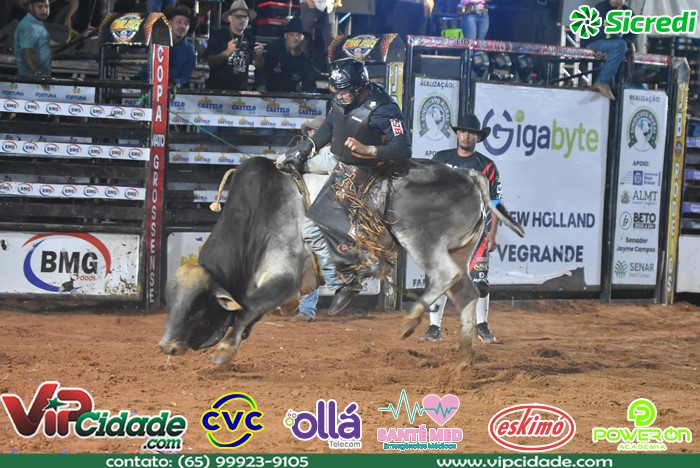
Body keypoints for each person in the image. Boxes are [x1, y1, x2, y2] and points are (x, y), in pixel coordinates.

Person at [278, 58, 412, 313]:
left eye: (345, 91)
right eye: (337, 91)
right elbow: (330, 125)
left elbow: (403, 147)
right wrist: (304, 149)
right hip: (342, 168)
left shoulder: (384, 109)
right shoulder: (340, 101)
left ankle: (354, 273)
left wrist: (370, 150)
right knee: (311, 225)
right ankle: (345, 280)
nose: (340, 96)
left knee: (329, 226)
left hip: (369, 173)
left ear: (360, 87)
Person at [423, 114, 501, 343]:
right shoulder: (440, 159)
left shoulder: (487, 166)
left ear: (478, 137)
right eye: (464, 131)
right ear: (457, 134)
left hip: (476, 232)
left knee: (479, 279)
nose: (467, 136)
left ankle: (482, 325)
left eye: (472, 133)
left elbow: (495, 202)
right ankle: (434, 327)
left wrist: (493, 234)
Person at [289, 116, 343, 322]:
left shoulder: (332, 156)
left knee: (314, 259)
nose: (311, 134)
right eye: (310, 131)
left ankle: (308, 307)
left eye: (315, 131)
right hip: (306, 212)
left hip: (325, 215)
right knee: (306, 259)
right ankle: (301, 304)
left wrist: (293, 161)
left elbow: (328, 166)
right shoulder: (307, 154)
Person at [581, 0, 636, 101]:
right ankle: (602, 82)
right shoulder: (600, 8)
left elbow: (632, 34)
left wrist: (628, 42)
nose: (617, 2)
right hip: (594, 43)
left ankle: (609, 88)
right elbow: (593, 34)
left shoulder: (628, 12)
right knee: (620, 45)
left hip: (614, 46)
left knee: (621, 47)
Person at [202, 0, 263, 91]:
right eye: (239, 17)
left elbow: (259, 65)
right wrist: (227, 52)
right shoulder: (219, 35)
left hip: (240, 90)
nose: (243, 20)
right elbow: (210, 62)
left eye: (245, 17)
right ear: (230, 18)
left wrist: (259, 55)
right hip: (217, 89)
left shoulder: (250, 39)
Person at [257, 17, 317, 93]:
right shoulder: (272, 48)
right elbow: (260, 70)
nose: (295, 38)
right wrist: (261, 88)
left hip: (289, 97)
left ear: (303, 38)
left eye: (299, 35)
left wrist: (304, 95)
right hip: (266, 95)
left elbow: (310, 86)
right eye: (292, 35)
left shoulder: (304, 61)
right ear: (285, 36)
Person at [14, 0, 53, 77]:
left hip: (40, 76)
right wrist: (37, 73)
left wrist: (63, 42)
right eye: (40, 7)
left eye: (46, 6)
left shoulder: (37, 23)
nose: (44, 10)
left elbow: (41, 41)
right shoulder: (29, 26)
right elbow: (27, 52)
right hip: (30, 78)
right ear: (30, 7)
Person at [300, 0, 341, 70]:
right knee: (305, 39)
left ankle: (332, 70)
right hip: (309, 4)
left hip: (329, 5)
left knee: (331, 40)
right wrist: (309, 2)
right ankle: (301, 70)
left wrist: (338, 1)